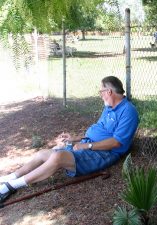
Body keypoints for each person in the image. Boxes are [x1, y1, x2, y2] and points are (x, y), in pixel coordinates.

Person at [0, 76, 139, 203]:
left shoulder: (128, 111)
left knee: (58, 156)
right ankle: (11, 177)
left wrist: (88, 146)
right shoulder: (109, 107)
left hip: (104, 153)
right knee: (42, 153)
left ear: (109, 92)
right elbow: (98, 132)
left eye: (101, 91)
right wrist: (75, 139)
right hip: (89, 145)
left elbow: (116, 142)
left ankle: (11, 186)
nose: (100, 95)